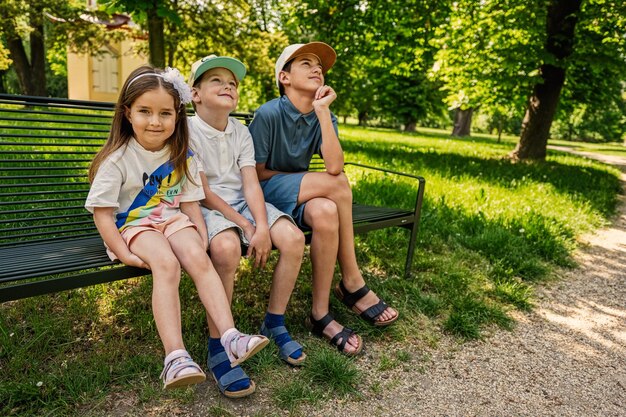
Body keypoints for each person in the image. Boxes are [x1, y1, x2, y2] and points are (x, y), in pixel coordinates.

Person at [85, 65, 268, 390]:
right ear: (128, 113)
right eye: (145, 111)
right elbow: (103, 214)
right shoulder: (118, 159)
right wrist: (123, 252)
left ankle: (230, 337)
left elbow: (188, 200)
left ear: (177, 116)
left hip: (172, 220)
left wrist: (198, 232)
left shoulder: (180, 154)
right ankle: (176, 357)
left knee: (199, 258)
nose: (155, 122)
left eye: (165, 113)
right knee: (167, 265)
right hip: (135, 226)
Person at [248, 42, 399, 356]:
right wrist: (299, 182)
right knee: (339, 186)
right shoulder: (268, 114)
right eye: (305, 63)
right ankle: (353, 281)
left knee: (327, 211)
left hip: (300, 193)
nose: (317, 68)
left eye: (319, 65)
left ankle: (320, 313)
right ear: (284, 77)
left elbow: (333, 165)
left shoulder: (322, 113)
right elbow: (255, 174)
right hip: (265, 194)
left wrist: (323, 112)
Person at [187, 55, 306, 398]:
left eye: (233, 83)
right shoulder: (187, 130)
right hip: (207, 205)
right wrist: (244, 224)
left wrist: (263, 227)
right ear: (195, 94)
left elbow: (251, 184)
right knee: (224, 250)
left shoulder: (241, 131)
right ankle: (219, 345)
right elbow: (203, 192)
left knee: (294, 238)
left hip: (242, 203)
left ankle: (275, 321)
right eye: (217, 81)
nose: (228, 86)